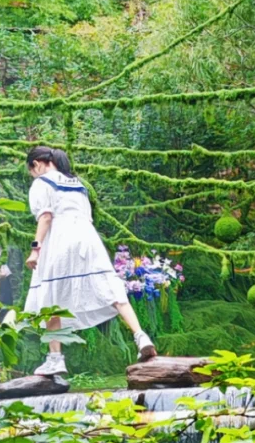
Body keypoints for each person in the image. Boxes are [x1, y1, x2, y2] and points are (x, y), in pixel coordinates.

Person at [24, 145, 158, 376]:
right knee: (109, 287)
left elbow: (46, 216)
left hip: (60, 238)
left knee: (50, 297)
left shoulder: (42, 183)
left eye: (31, 171)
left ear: (36, 164)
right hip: (87, 237)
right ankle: (140, 336)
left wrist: (35, 248)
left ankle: (55, 358)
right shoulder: (78, 183)